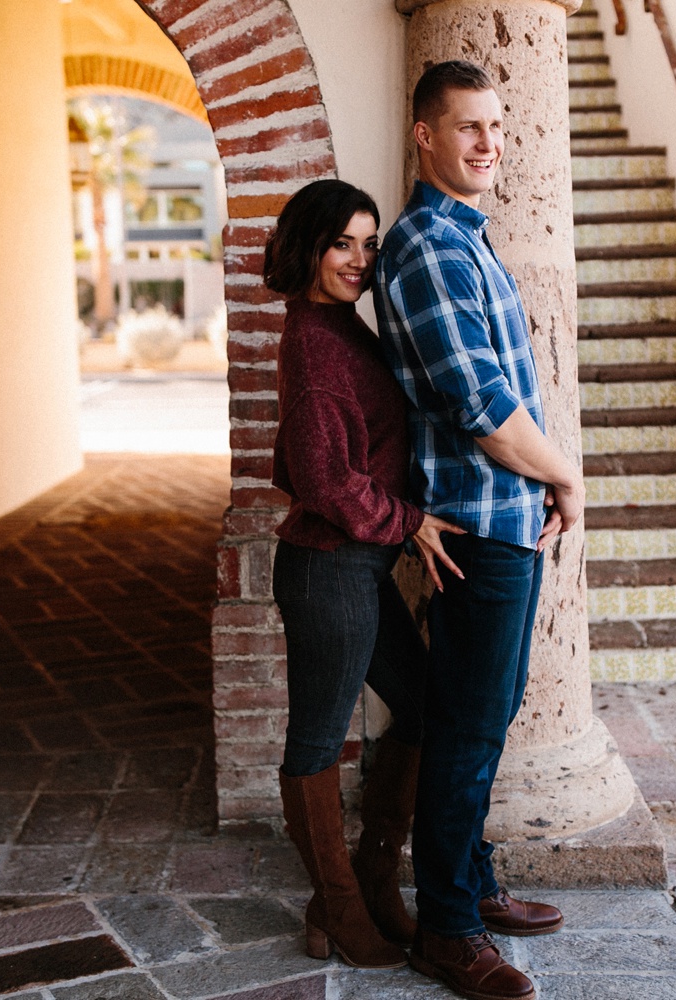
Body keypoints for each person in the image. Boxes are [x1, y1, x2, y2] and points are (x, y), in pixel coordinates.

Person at [374, 61, 586, 1000]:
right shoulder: (427, 246)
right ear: (425, 135)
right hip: (473, 528)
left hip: (505, 523)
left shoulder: (470, 239)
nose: (489, 143)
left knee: (486, 721)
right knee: (465, 730)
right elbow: (483, 405)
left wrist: (541, 489)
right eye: (468, 128)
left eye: (497, 128)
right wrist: (565, 476)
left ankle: (472, 880)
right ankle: (446, 929)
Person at [264, 179, 465, 970]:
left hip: (357, 570)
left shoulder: (343, 326)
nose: (359, 259)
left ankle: (376, 883)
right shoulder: (316, 343)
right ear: (309, 247)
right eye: (342, 242)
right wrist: (410, 523)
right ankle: (339, 909)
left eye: (369, 242)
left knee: (417, 706)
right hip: (328, 570)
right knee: (315, 741)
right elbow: (325, 481)